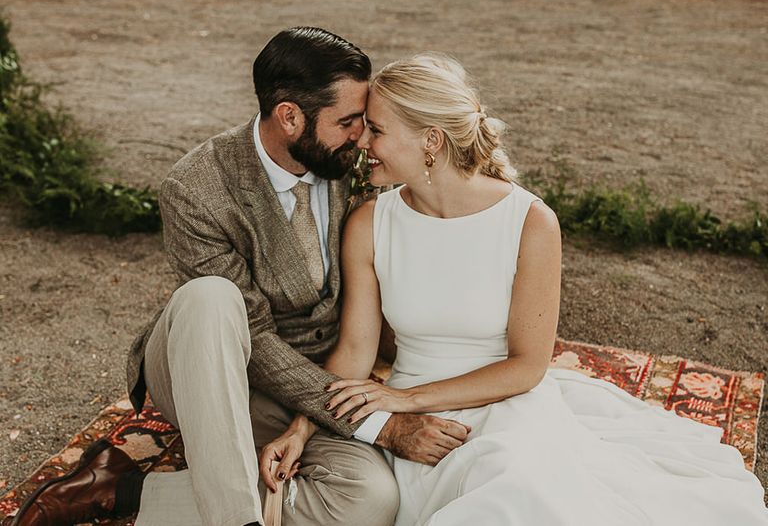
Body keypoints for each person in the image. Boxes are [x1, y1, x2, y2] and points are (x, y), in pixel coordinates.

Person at [267, 53, 768, 525]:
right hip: (419, 421)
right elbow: (356, 349)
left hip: (506, 405)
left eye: (376, 130)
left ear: (431, 141)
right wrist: (301, 427)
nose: (362, 143)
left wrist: (408, 401)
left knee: (514, 485)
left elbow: (527, 366)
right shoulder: (371, 222)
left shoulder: (529, 221)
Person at [8, 29, 472, 526]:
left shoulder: (352, 161)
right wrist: (382, 426)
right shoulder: (197, 188)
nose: (363, 136)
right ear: (290, 117)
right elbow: (255, 337)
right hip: (216, 366)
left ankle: (130, 490)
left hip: (325, 374)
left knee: (370, 500)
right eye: (348, 122)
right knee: (211, 297)